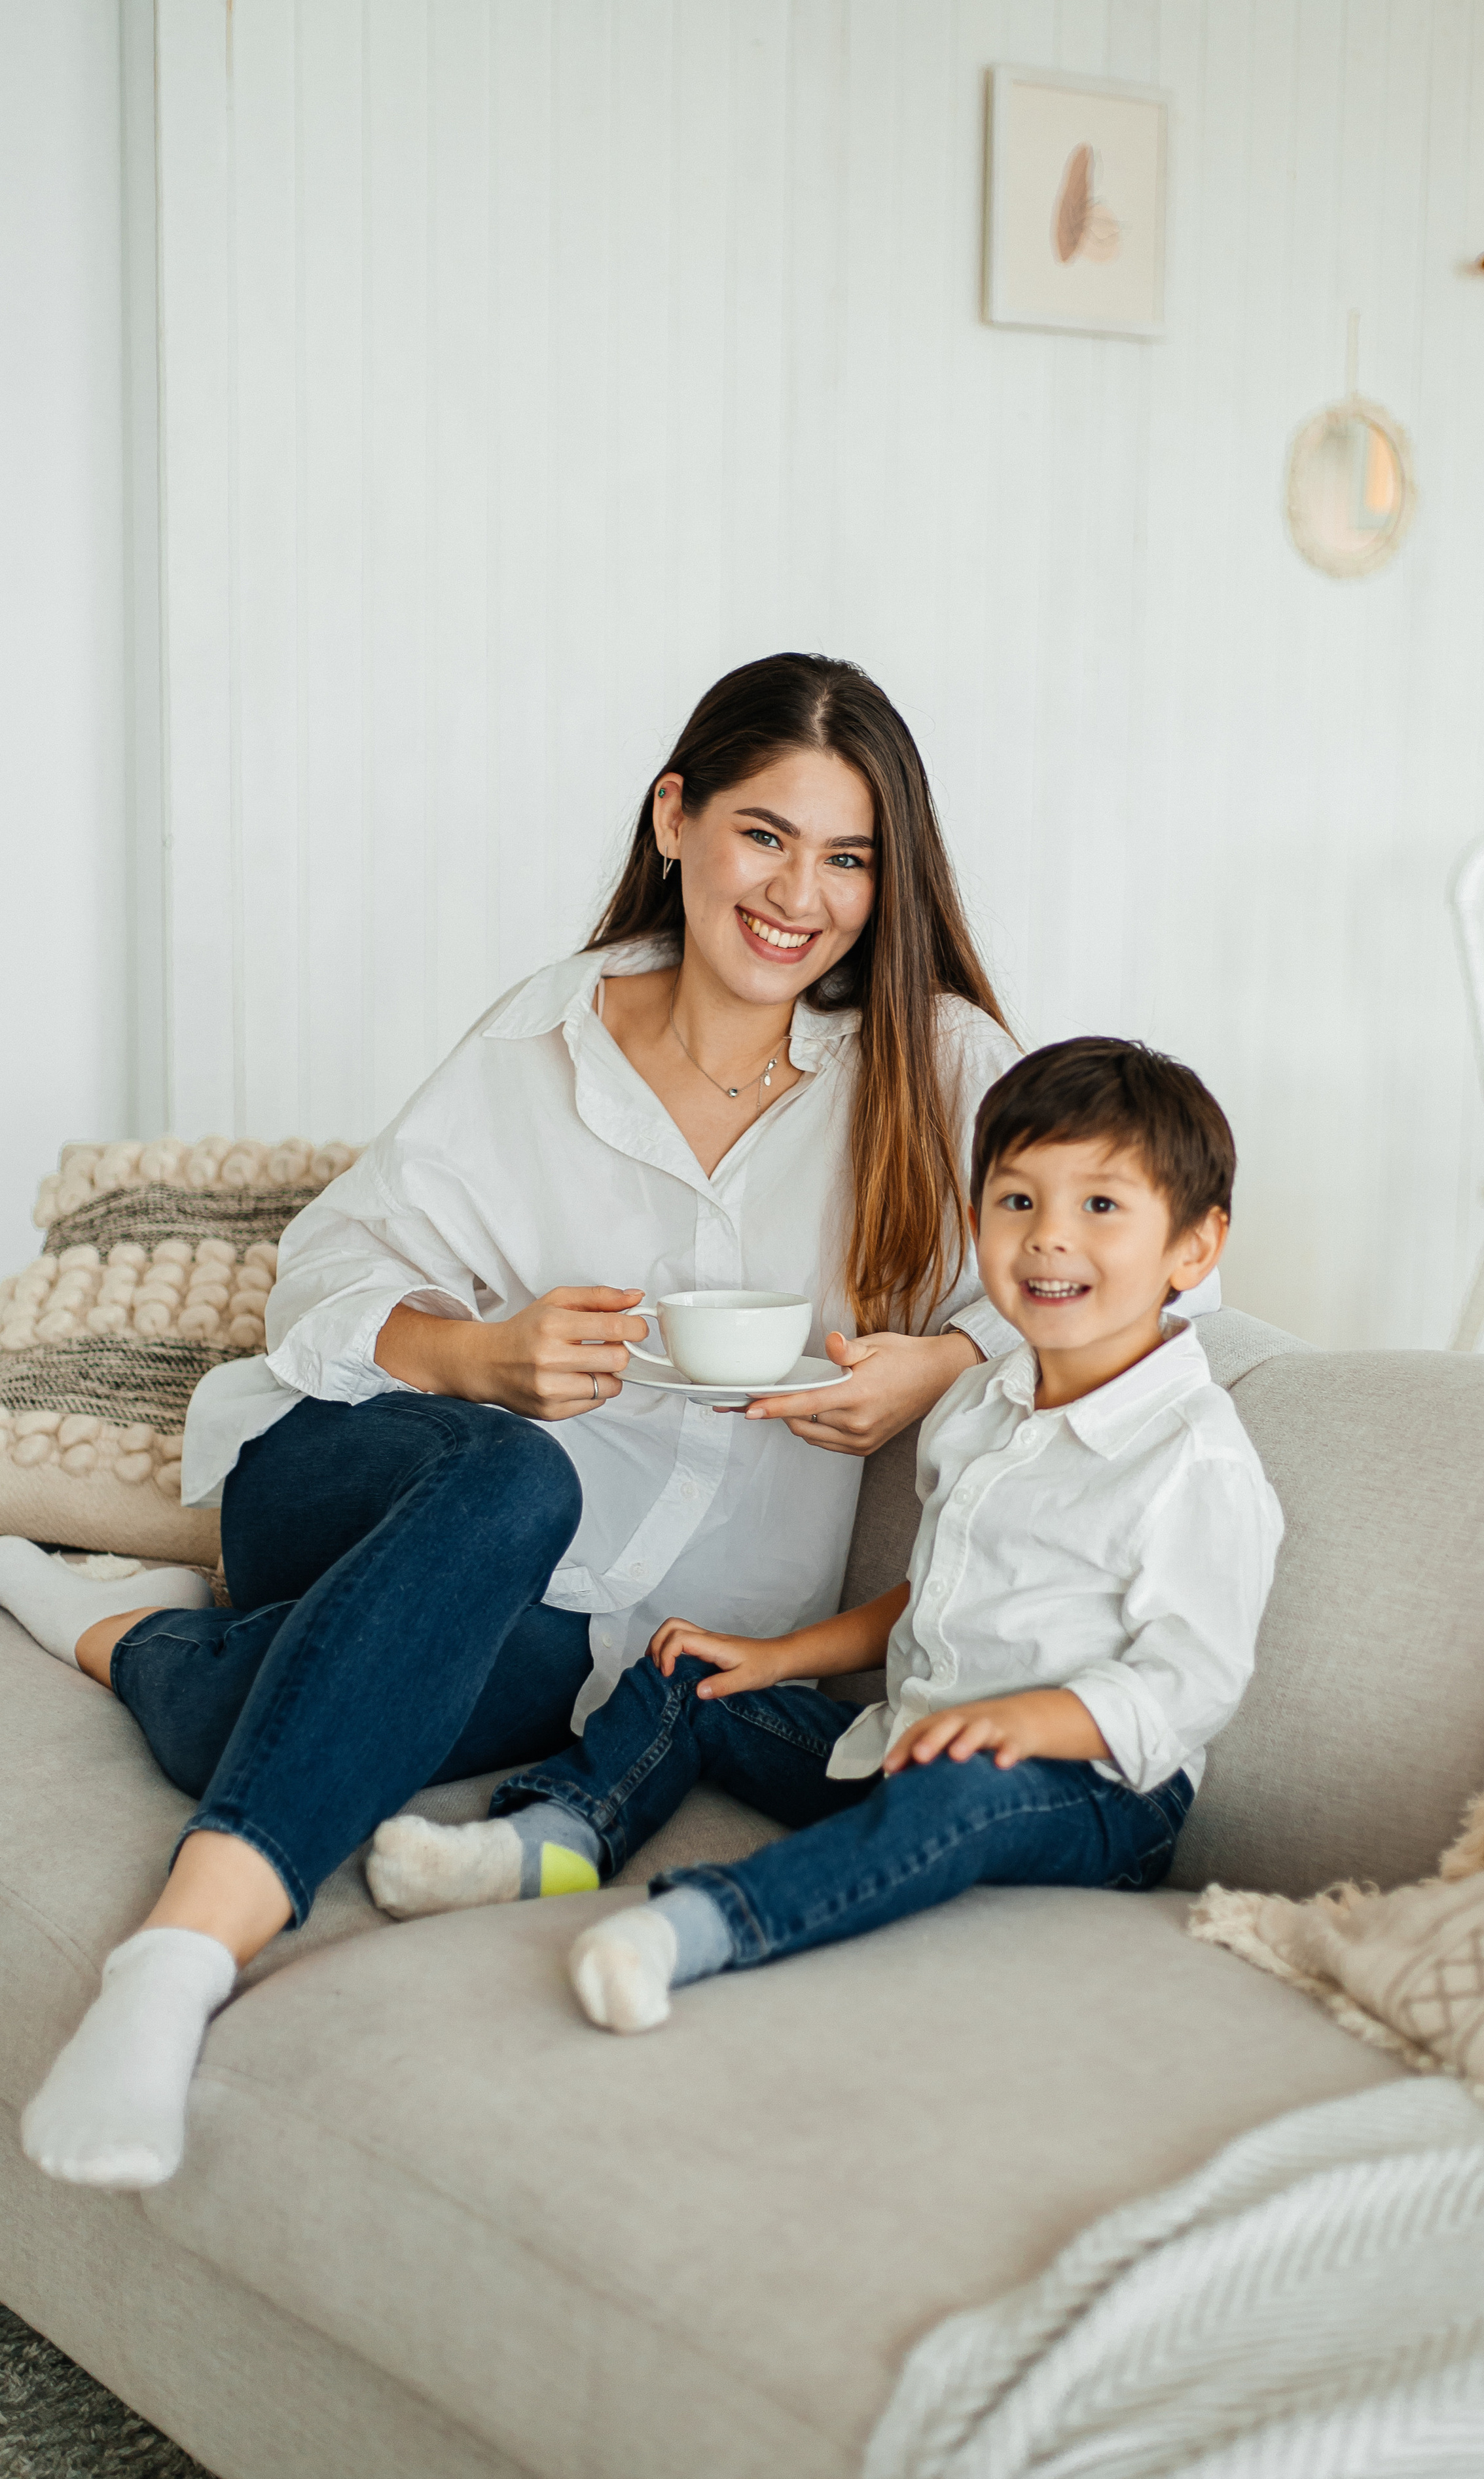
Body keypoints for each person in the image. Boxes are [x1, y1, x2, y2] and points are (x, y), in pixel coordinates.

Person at [9, 652, 1052, 2190]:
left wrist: (937, 1369)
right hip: (363, 1476)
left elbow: (1096, 1300)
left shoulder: (940, 1062)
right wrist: (474, 1354)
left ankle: (87, 1608)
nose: (799, 894)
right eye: (764, 833)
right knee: (515, 1480)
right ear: (675, 816)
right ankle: (174, 1966)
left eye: (849, 858)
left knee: (278, 1713)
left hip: (628, 1627)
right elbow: (326, 1271)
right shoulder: (548, 1033)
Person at [366, 1037, 1280, 2036]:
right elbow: (929, 1595)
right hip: (908, 1741)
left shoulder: (1194, 1459)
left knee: (961, 1788)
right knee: (688, 1669)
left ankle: (703, 1927)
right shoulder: (984, 1405)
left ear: (1194, 1248)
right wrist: (775, 1659)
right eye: (1018, 1201)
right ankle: (552, 1840)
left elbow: (1191, 1683)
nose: (1049, 1238)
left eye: (1100, 1206)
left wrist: (1028, 1727)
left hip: (1088, 1800)